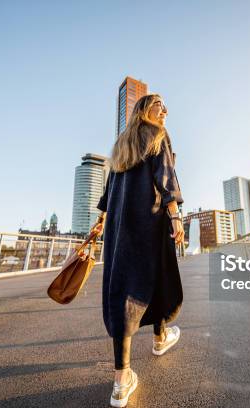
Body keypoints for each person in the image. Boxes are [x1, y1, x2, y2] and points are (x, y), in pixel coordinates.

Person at [91, 93, 185, 407]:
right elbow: (165, 176)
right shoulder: (158, 134)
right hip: (150, 220)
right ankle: (158, 339)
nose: (165, 110)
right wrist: (175, 215)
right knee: (157, 278)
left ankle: (122, 380)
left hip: (120, 227)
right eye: (159, 104)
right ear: (144, 109)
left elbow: (109, 188)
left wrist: (102, 219)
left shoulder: (121, 143)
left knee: (122, 289)